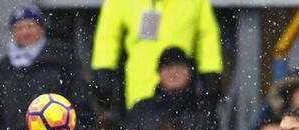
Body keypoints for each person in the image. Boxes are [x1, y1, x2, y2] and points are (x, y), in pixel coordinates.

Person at [0, 5, 93, 130]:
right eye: (19, 28)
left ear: (42, 29)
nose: (25, 32)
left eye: (30, 26)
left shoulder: (61, 60)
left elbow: (81, 105)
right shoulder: (3, 68)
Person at [90, 0, 222, 114]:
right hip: (139, 88)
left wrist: (211, 73)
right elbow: (107, 35)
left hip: (182, 92)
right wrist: (104, 71)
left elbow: (207, 36)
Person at [125, 47, 220, 130]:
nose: (174, 72)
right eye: (168, 67)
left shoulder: (203, 111)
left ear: (189, 72)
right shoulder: (141, 109)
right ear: (159, 73)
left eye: (179, 67)